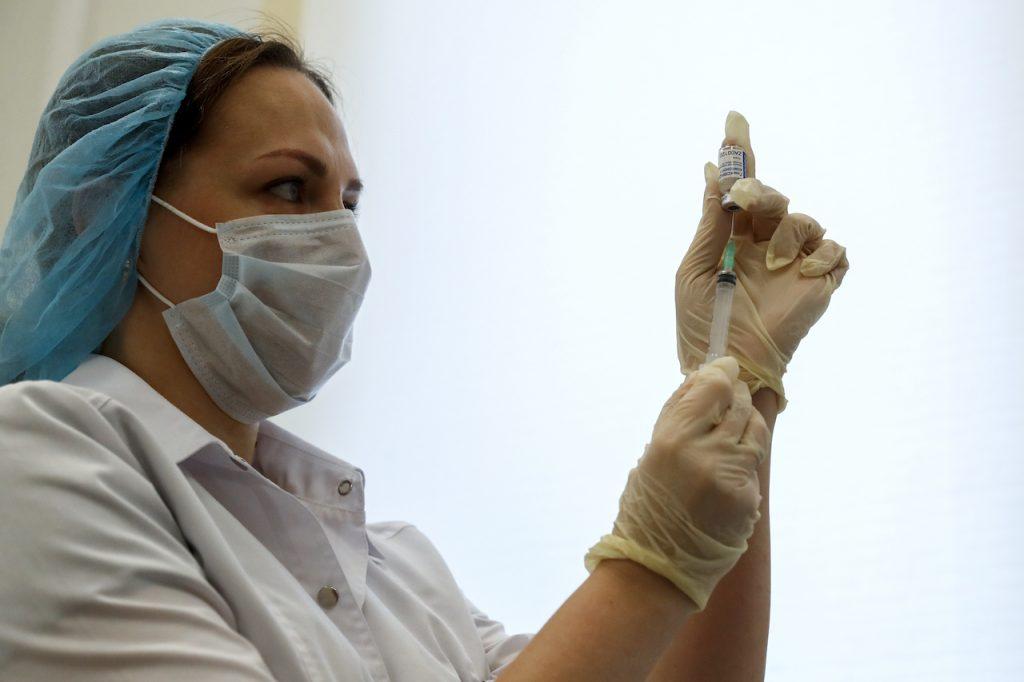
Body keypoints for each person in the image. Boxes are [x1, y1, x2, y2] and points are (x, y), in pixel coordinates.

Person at [0, 18, 848, 682]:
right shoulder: (38, 463)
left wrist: (743, 377)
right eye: (289, 188)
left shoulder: (395, 569)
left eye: (349, 204)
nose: (339, 241)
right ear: (101, 211)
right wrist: (655, 557)